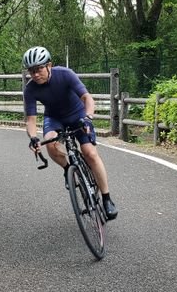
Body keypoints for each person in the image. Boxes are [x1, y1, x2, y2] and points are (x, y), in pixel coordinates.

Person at [22, 46, 118, 220]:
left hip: (78, 114)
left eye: (39, 69)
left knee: (90, 153)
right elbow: (31, 119)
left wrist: (88, 117)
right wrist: (33, 137)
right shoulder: (30, 89)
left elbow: (86, 98)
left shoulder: (65, 74)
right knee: (50, 142)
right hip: (54, 118)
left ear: (49, 65)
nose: (35, 75)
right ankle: (68, 170)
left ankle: (106, 198)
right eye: (31, 71)